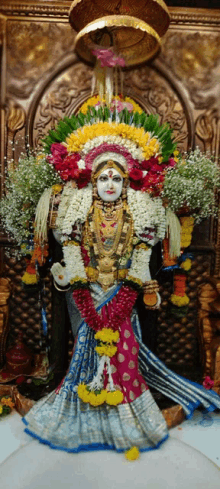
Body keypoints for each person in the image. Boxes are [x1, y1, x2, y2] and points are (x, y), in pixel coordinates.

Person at [23, 151, 220, 458]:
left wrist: (133, 286)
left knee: (124, 347)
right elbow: (72, 250)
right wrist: (79, 284)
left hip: (121, 289)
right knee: (86, 345)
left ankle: (127, 415)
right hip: (88, 287)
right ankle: (87, 411)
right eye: (103, 178)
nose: (109, 184)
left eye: (116, 178)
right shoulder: (80, 210)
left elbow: (142, 257)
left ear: (126, 183)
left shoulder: (139, 212)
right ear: (93, 182)